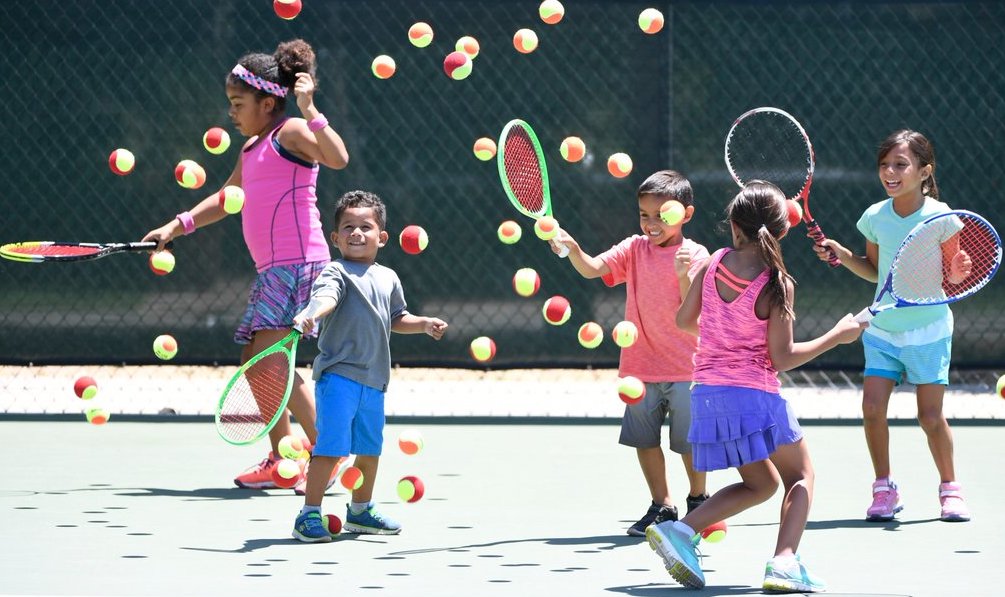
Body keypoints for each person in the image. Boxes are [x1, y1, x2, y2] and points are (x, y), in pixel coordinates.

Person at [141, 39, 350, 493]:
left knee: (269, 361)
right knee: (257, 362)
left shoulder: (291, 132)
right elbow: (226, 199)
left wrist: (311, 108)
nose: (231, 113)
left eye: (238, 104)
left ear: (267, 103)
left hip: (299, 264)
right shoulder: (252, 147)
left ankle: (329, 449)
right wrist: (176, 227)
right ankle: (283, 458)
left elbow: (337, 157)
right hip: (274, 269)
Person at [647, 181, 864, 592]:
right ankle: (784, 563)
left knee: (762, 484)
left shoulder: (713, 262)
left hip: (707, 396)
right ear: (782, 230)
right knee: (800, 476)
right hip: (753, 396)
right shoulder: (777, 283)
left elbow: (685, 321)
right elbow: (782, 358)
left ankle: (680, 531)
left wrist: (723, 336)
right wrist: (838, 335)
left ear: (734, 225)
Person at [813, 130, 971, 523]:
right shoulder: (875, 217)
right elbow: (874, 271)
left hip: (929, 330)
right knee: (871, 409)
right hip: (883, 329)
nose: (890, 172)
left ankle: (950, 488)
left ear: (924, 171)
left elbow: (952, 277)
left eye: (900, 164)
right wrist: (842, 254)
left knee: (930, 417)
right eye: (884, 164)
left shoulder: (941, 217)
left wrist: (957, 270)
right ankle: (884, 488)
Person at [548, 170, 712, 536]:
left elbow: (693, 309)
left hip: (687, 368)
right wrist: (573, 249)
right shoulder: (634, 248)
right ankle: (662, 505)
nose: (651, 224)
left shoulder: (697, 254)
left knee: (690, 443)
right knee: (644, 440)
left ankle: (699, 501)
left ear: (686, 214)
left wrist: (682, 274)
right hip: (640, 367)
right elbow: (592, 269)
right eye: (644, 215)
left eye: (662, 215)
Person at [290, 190, 447, 543]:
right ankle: (308, 514)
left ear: (382, 237)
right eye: (348, 227)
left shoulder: (389, 277)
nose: (357, 233)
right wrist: (311, 314)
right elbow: (326, 298)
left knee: (369, 450)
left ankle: (360, 511)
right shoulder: (335, 271)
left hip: (375, 382)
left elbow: (396, 317)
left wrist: (423, 323)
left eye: (365, 226)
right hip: (338, 379)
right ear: (335, 238)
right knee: (330, 449)